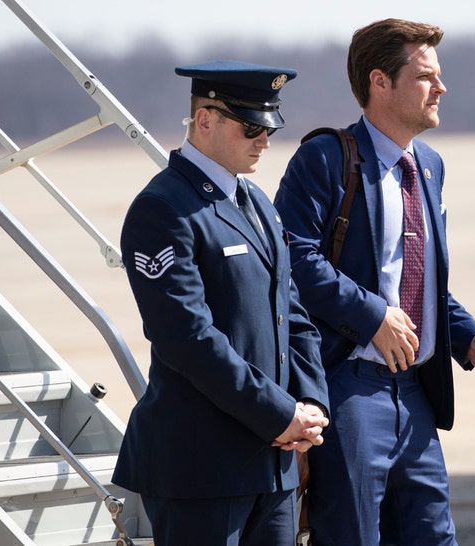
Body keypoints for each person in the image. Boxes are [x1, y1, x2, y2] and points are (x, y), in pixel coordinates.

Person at [273, 18, 475, 545]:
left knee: (433, 534)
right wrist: (371, 315)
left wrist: (468, 338)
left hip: (417, 392)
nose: (441, 88)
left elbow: (422, 282)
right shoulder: (326, 157)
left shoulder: (429, 166)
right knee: (352, 535)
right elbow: (291, 256)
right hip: (351, 388)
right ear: (381, 82)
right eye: (426, 76)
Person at [111, 60, 330, 546]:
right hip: (200, 469)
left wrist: (309, 405)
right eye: (252, 127)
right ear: (205, 120)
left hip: (271, 464)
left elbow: (293, 315)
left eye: (269, 127)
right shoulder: (163, 208)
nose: (265, 141)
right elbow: (186, 337)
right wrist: (279, 414)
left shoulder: (257, 203)